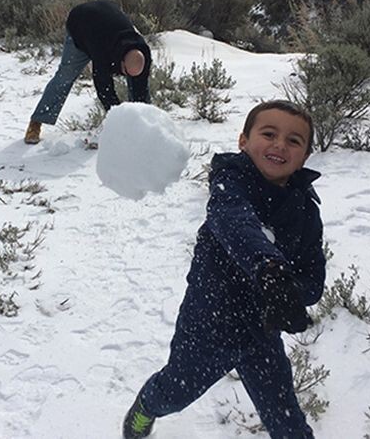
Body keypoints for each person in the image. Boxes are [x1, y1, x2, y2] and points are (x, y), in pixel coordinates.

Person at [122, 100, 326, 439]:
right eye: (269, 133)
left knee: (287, 422)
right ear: (243, 141)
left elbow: (312, 273)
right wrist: (269, 269)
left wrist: (293, 294)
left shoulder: (305, 210)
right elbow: (234, 222)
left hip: (262, 332)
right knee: (175, 393)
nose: (279, 145)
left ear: (305, 156)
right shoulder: (229, 184)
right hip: (208, 326)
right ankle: (147, 404)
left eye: (294, 140)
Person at [24, 0, 151, 144]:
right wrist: (118, 117)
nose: (125, 76)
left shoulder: (143, 52)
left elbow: (141, 87)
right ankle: (36, 122)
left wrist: (141, 120)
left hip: (107, 21)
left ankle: (144, 126)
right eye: (125, 73)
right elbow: (104, 87)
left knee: (139, 87)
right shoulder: (101, 50)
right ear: (121, 62)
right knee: (65, 76)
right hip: (81, 25)